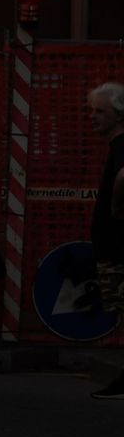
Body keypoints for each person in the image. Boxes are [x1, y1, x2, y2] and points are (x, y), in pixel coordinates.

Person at [87, 82, 124, 400]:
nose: (93, 117)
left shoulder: (122, 145)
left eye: (101, 111)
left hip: (119, 247)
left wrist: (115, 208)